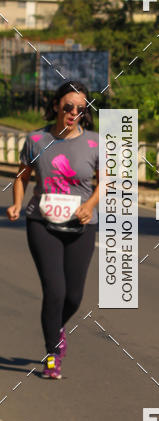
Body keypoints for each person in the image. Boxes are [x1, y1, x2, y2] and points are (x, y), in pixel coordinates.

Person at [6, 81, 99, 379]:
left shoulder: (96, 142)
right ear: (57, 104)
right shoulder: (36, 139)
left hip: (81, 225)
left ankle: (56, 326)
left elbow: (106, 182)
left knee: (73, 296)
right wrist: (17, 204)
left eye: (80, 109)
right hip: (41, 222)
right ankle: (52, 355)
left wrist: (91, 204)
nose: (74, 112)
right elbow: (21, 177)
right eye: (69, 106)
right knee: (55, 290)